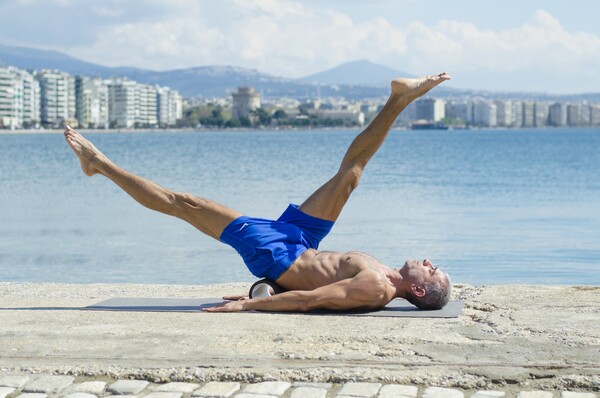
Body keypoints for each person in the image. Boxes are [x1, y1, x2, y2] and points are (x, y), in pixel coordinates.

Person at [64, 72, 452, 313]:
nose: (428, 260)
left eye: (432, 270)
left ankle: (98, 164)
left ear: (417, 288)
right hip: (302, 241)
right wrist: (266, 291)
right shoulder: (384, 276)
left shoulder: (377, 287)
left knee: (184, 204)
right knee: (351, 174)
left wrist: (253, 304)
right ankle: (399, 98)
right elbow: (316, 288)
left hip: (278, 254)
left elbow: (311, 300)